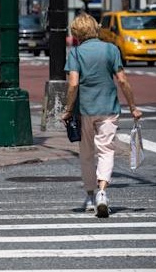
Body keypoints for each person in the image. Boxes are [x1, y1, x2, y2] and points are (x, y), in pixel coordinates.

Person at [61, 13, 142, 218]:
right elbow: (122, 81)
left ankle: (89, 197)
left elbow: (73, 84)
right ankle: (102, 193)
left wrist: (68, 109)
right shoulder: (111, 49)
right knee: (106, 151)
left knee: (87, 154)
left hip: (84, 110)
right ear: (96, 29)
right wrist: (133, 106)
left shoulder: (76, 53)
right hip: (108, 108)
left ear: (77, 33)